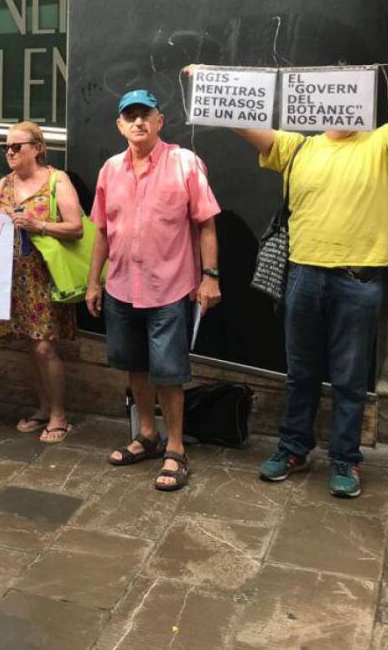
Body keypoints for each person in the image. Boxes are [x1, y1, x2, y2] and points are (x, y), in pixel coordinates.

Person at [229, 110, 387, 498]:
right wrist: (209, 83)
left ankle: (345, 457)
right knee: (301, 372)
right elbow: (241, 120)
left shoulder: (378, 144)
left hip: (358, 277)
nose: (342, 107)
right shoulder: (298, 145)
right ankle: (294, 449)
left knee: (350, 378)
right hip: (303, 274)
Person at [86, 89, 221, 492]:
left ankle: (175, 448)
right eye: (131, 116)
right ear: (120, 125)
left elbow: (207, 224)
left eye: (146, 115)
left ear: (160, 121)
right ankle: (147, 435)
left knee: (170, 372)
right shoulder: (110, 169)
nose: (139, 122)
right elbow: (102, 232)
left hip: (169, 288)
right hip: (122, 287)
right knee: (136, 366)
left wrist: (210, 275)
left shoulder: (185, 163)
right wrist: (94, 280)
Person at [0, 122, 83, 442]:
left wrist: (36, 224)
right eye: (6, 148)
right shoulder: (4, 184)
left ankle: (59, 414)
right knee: (31, 346)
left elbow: (75, 227)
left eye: (17, 147)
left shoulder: (57, 180)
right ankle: (43, 408)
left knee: (44, 347)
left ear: (38, 148)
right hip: (15, 277)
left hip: (45, 277)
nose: (10, 153)